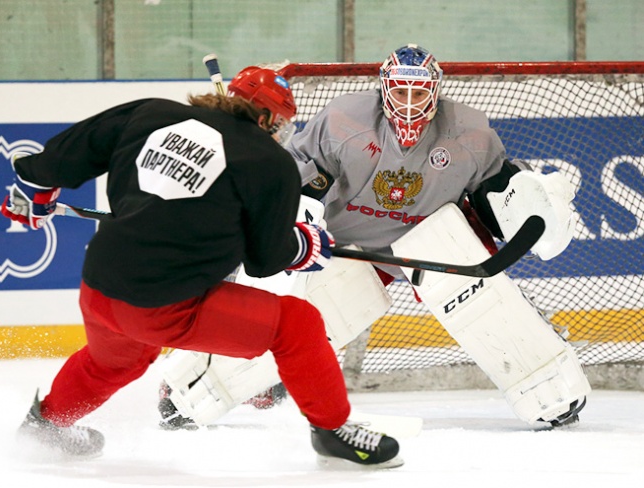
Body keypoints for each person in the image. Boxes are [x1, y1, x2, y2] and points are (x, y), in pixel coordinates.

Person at [158, 43, 588, 430]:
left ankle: (547, 384)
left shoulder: (471, 134)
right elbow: (296, 186)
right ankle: (196, 386)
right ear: (384, 90)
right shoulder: (343, 120)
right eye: (400, 91)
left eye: (419, 93)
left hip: (429, 240)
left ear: (436, 92)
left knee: (475, 294)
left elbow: (497, 198)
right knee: (308, 318)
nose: (409, 102)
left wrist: (537, 206)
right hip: (346, 243)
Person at [0, 66, 402, 469]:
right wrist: (304, 243)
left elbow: (65, 155)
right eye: (280, 123)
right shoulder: (268, 161)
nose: (281, 133)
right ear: (263, 118)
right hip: (165, 306)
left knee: (115, 361)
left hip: (100, 287)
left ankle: (46, 425)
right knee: (297, 325)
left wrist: (36, 188)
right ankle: (333, 430)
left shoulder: (150, 113)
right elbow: (266, 258)